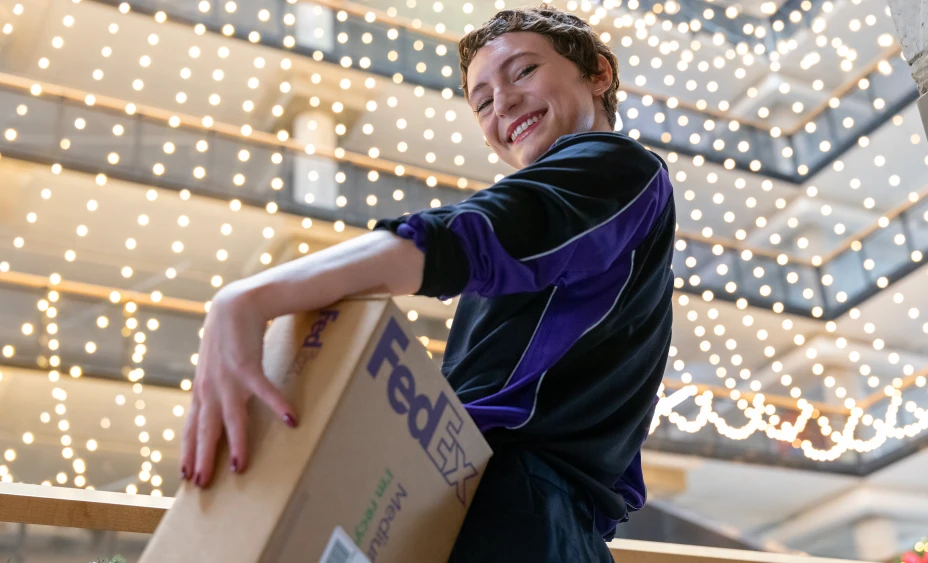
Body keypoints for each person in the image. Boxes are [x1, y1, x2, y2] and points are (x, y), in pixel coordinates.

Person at [180, 4, 676, 562]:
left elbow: (484, 233)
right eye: (482, 101)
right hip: (507, 506)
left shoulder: (620, 166)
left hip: (520, 506)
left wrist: (250, 297)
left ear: (599, 73)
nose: (503, 103)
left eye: (523, 71)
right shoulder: (588, 227)